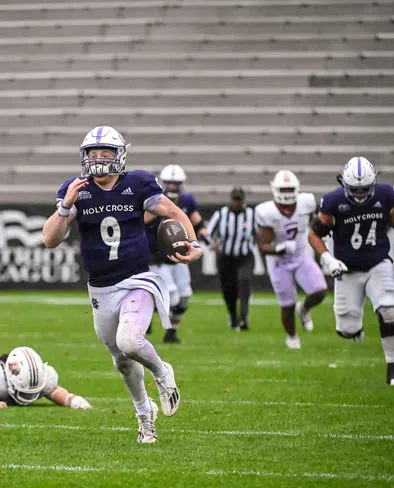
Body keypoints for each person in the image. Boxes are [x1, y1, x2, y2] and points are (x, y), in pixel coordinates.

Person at [42, 126, 202, 444]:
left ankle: (161, 371)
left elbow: (172, 211)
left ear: (120, 155)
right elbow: (50, 239)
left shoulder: (138, 183)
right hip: (100, 287)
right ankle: (145, 417)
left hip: (137, 279)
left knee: (130, 341)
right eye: (93, 153)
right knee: (123, 362)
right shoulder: (76, 189)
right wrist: (65, 206)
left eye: (105, 153)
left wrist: (193, 242)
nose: (98, 159)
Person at [308, 156, 394, 386]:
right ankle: (356, 329)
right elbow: (314, 234)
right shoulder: (333, 201)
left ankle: (393, 369)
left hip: (378, 263)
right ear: (345, 184)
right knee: (347, 329)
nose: (360, 194)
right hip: (347, 269)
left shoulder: (385, 195)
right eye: (355, 189)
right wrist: (328, 259)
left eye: (364, 189)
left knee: (389, 311)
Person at [255, 170, 327, 349]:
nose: (286, 193)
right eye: (283, 189)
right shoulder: (266, 211)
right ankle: (292, 337)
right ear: (275, 189)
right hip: (279, 261)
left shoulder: (306, 202)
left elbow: (313, 223)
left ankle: (304, 309)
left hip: (301, 254)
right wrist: (279, 248)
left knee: (320, 290)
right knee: (287, 304)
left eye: (289, 189)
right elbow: (263, 246)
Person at [144, 164, 211, 343]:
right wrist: (160, 210)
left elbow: (197, 222)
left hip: (179, 258)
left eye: (176, 183)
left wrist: (204, 235)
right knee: (171, 297)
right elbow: (140, 220)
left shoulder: (187, 200)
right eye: (169, 183)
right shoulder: (154, 200)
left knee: (184, 296)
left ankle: (171, 333)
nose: (172, 187)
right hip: (157, 257)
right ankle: (146, 314)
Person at [207, 187, 257, 331]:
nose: (236, 203)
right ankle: (233, 316)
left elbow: (260, 234)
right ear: (230, 200)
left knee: (244, 281)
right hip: (225, 257)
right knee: (229, 290)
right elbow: (208, 233)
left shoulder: (252, 215)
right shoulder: (221, 214)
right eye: (234, 200)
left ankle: (243, 318)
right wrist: (213, 243)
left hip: (245, 256)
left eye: (239, 200)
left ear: (243, 201)